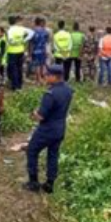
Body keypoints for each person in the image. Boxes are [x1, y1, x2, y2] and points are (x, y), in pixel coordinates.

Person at [24, 64, 74, 194]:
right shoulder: (68, 90)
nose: (45, 77)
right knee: (53, 154)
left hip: (47, 129)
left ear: (54, 77)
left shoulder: (50, 94)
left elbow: (41, 116)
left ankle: (33, 181)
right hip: (60, 128)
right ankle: (50, 183)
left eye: (47, 75)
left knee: (32, 151)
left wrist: (34, 113)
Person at [6, 16, 35, 90]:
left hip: (12, 52)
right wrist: (24, 40)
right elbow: (32, 33)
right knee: (19, 68)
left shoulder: (10, 30)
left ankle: (15, 86)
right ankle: (20, 84)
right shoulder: (21, 29)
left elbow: (10, 41)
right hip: (21, 50)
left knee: (13, 69)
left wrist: (15, 43)